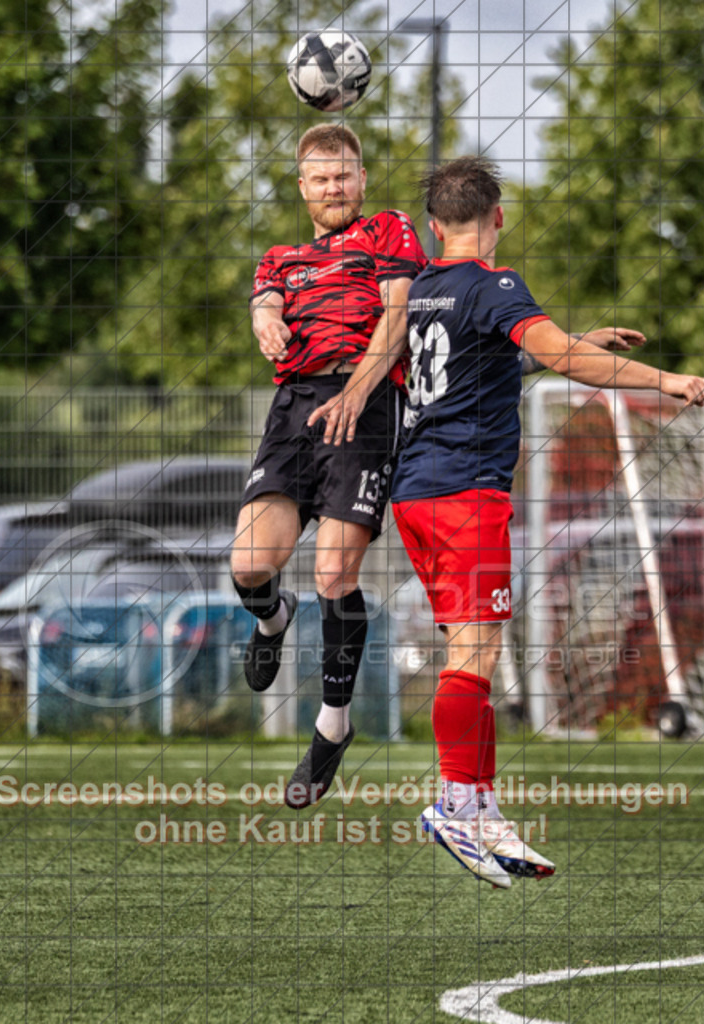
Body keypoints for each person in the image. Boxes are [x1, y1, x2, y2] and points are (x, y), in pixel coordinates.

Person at [310, 155, 704, 888]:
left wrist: (576, 339)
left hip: (416, 494)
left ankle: (483, 807)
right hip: (466, 491)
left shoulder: (421, 287)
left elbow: (478, 364)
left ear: (434, 227)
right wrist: (668, 381)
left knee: (476, 652)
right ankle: (455, 804)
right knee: (475, 656)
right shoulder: (496, 286)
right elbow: (559, 359)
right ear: (497, 217)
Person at [231, 124, 428, 809]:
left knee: (333, 573)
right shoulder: (279, 256)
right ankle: (270, 620)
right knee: (251, 565)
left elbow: (398, 315)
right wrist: (263, 317)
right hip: (295, 405)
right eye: (320, 178)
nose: (332, 187)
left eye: (342, 175)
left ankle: (331, 726)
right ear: (301, 187)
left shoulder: (388, 230)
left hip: (366, 398)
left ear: (361, 177)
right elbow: (265, 297)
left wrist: (358, 388)